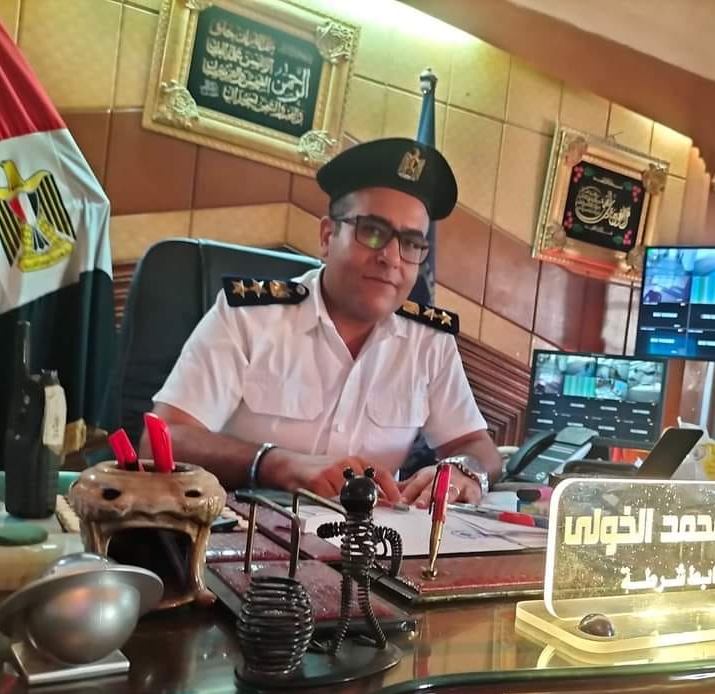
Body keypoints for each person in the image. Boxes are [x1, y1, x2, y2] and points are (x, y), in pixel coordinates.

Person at [147, 137, 501, 507]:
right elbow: (165, 436)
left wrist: (463, 469)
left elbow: (477, 446)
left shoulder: (429, 341)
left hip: (373, 537)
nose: (392, 258)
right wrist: (275, 464)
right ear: (328, 236)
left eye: (411, 243)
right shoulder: (249, 317)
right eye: (373, 232)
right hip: (245, 529)